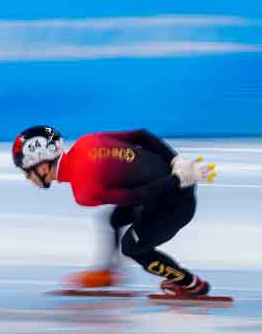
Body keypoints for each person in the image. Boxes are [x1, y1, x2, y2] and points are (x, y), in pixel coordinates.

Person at [13, 125, 218, 297]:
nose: (27, 177)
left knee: (131, 248)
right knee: (116, 218)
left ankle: (190, 283)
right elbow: (141, 135)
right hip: (179, 176)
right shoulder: (87, 142)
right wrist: (177, 162)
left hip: (174, 203)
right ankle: (108, 272)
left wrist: (177, 180)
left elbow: (139, 197)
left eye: (26, 170)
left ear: (41, 167)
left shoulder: (84, 191)